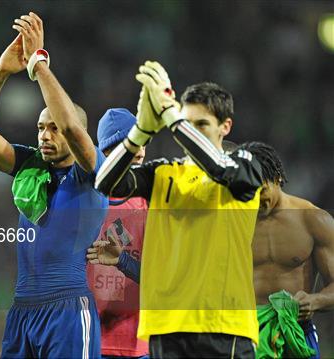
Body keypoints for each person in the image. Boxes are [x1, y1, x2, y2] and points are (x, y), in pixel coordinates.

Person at [0, 12, 108, 358]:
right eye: (41, 128)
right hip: (22, 311)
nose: (45, 135)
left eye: (52, 127)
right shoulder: (31, 164)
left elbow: (73, 130)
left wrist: (39, 65)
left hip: (69, 310)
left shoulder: (93, 170)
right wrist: (1, 72)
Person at [96, 61, 263, 358]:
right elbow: (105, 183)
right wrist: (140, 132)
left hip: (224, 327)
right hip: (166, 327)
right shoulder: (163, 173)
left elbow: (220, 168)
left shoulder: (244, 165)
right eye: (187, 123)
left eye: (201, 125)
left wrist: (173, 117)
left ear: (226, 127)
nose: (188, 132)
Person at [242, 141, 334, 358]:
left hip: (296, 331)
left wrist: (315, 300)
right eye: (248, 191)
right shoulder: (233, 223)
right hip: (245, 334)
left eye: (261, 190)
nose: (255, 200)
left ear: (278, 178)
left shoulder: (313, 220)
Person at [86, 108, 148, 358]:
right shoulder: (83, 200)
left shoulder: (149, 203)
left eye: (143, 143)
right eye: (132, 144)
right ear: (107, 153)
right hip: (89, 340)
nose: (141, 151)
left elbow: (160, 278)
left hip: (139, 345)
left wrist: (122, 260)